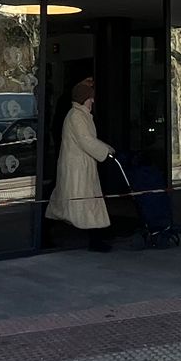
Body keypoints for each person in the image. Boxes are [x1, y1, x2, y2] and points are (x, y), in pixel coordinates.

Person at [48, 77, 114, 251]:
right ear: (84, 98)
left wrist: (105, 148)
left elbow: (88, 140)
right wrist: (106, 151)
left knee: (72, 202)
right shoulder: (77, 116)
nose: (93, 100)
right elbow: (86, 141)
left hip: (81, 165)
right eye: (90, 97)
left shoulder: (79, 115)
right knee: (84, 202)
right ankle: (96, 240)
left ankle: (95, 238)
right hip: (78, 168)